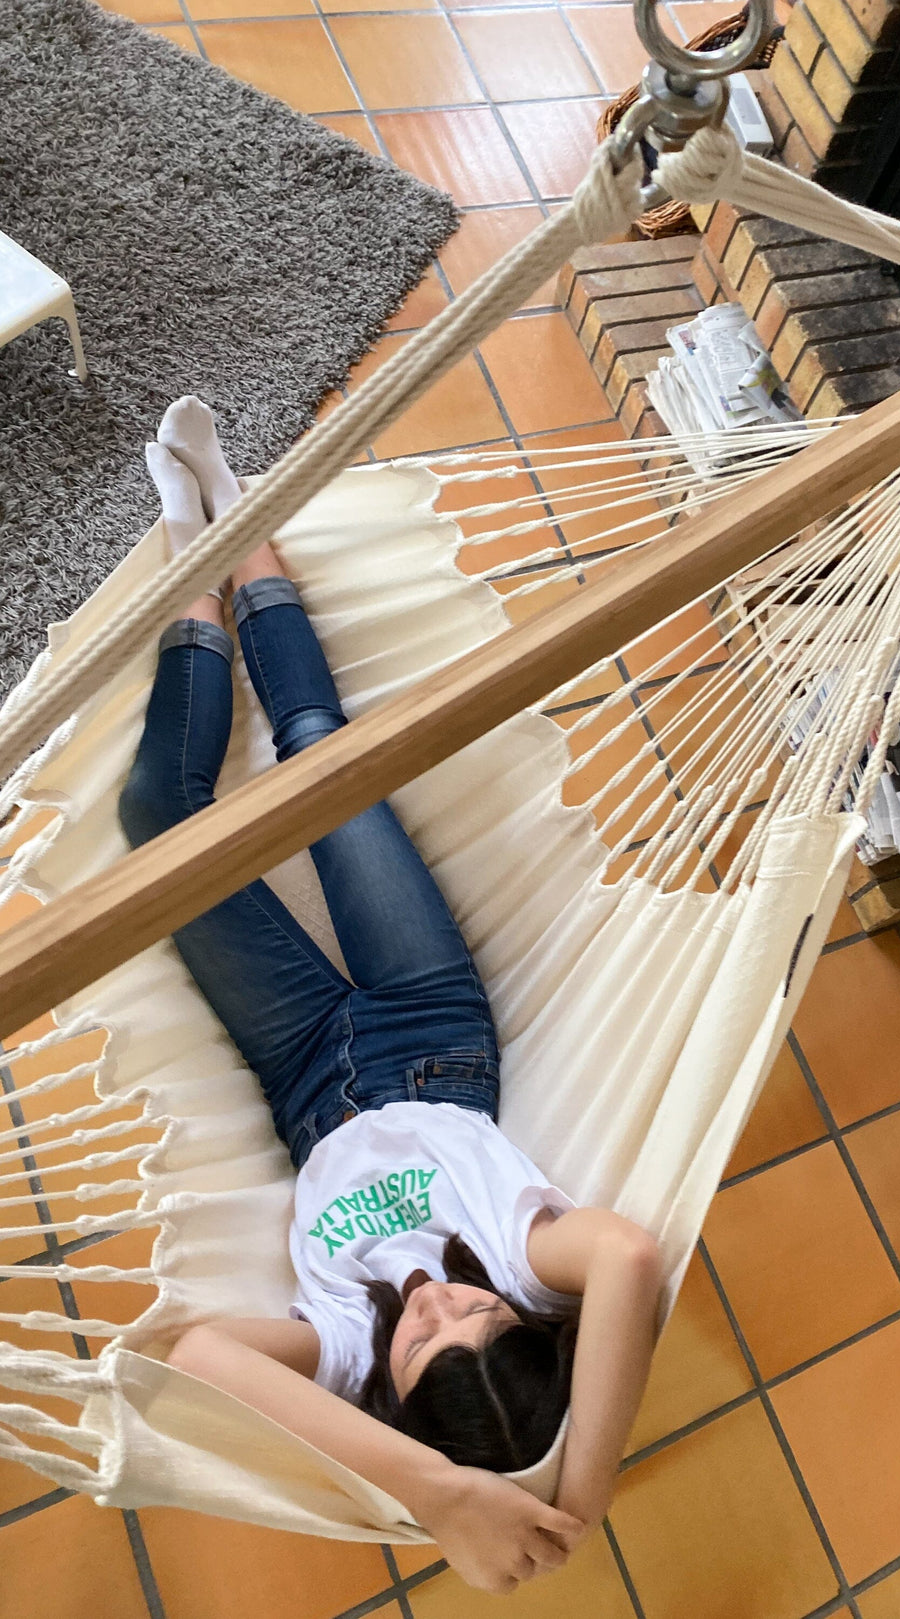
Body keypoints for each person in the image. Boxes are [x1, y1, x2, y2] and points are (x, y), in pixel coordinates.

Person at [121, 399, 663, 1596]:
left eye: (428, 1342)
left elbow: (198, 1352)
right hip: (431, 1033)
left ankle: (188, 558)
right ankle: (238, 511)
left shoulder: (345, 1345)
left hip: (305, 1074)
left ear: (393, 1391)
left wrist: (437, 1490)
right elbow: (627, 1255)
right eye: (480, 1317)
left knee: (157, 822)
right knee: (321, 749)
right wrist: (581, 1494)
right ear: (524, 1316)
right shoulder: (526, 1260)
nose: (440, 1304)